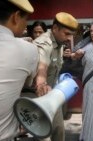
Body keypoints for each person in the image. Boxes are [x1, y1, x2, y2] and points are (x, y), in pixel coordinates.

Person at [0, 0, 39, 140]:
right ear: (16, 17)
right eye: (26, 19)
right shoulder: (29, 50)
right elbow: (27, 84)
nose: (25, 24)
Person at [33, 12, 78, 141]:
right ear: (54, 29)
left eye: (71, 35)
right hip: (39, 96)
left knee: (58, 131)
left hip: (52, 95)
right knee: (44, 136)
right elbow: (42, 66)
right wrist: (41, 82)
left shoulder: (60, 44)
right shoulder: (44, 43)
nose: (69, 38)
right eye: (67, 33)